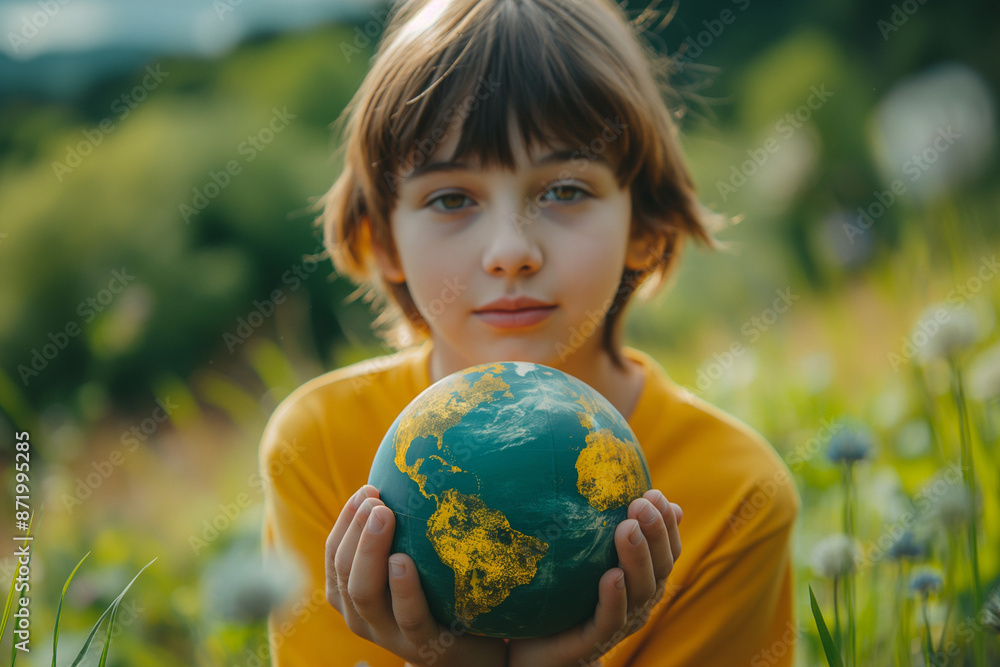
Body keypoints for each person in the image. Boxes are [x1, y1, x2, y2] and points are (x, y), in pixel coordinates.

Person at [259, 0, 800, 665]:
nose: (511, 250)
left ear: (646, 224)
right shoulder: (319, 450)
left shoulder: (737, 495)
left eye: (566, 190)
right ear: (381, 240)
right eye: (452, 198)